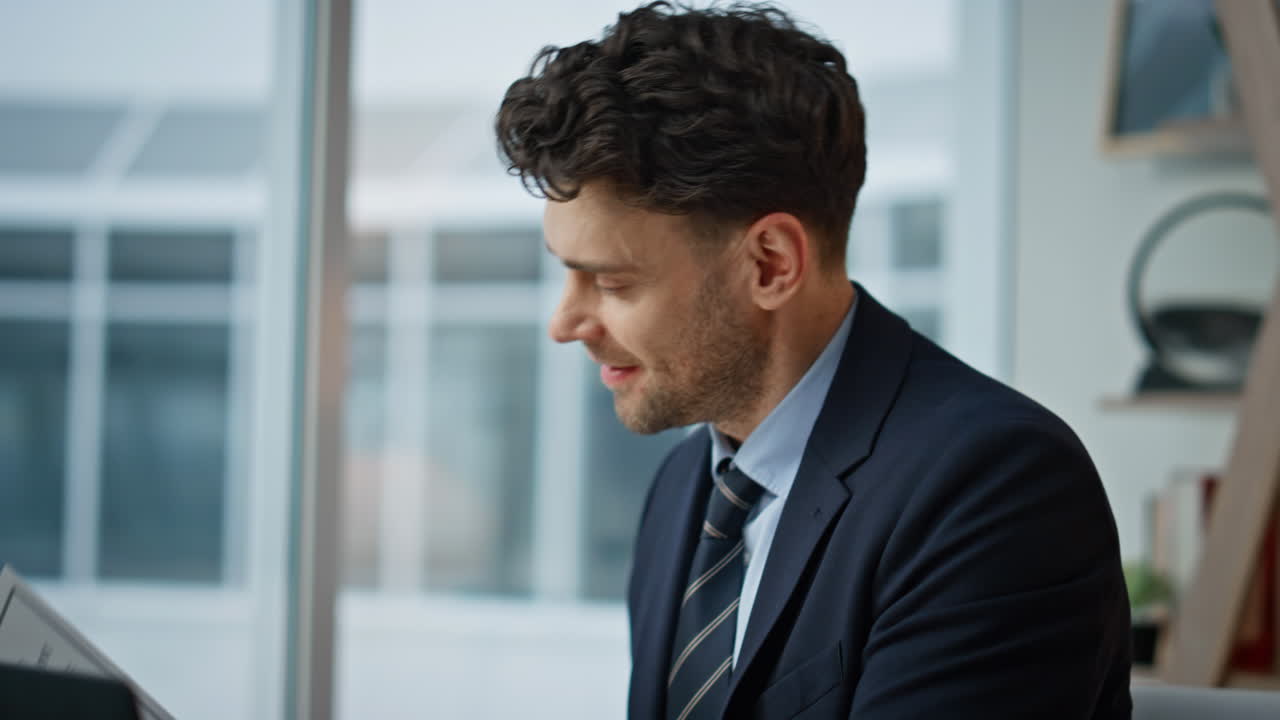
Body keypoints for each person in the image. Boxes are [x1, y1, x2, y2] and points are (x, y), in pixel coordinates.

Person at [494, 2, 1132, 718]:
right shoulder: (683, 489)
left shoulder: (995, 489)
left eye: (611, 282)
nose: (565, 323)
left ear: (770, 263)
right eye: (566, 274)